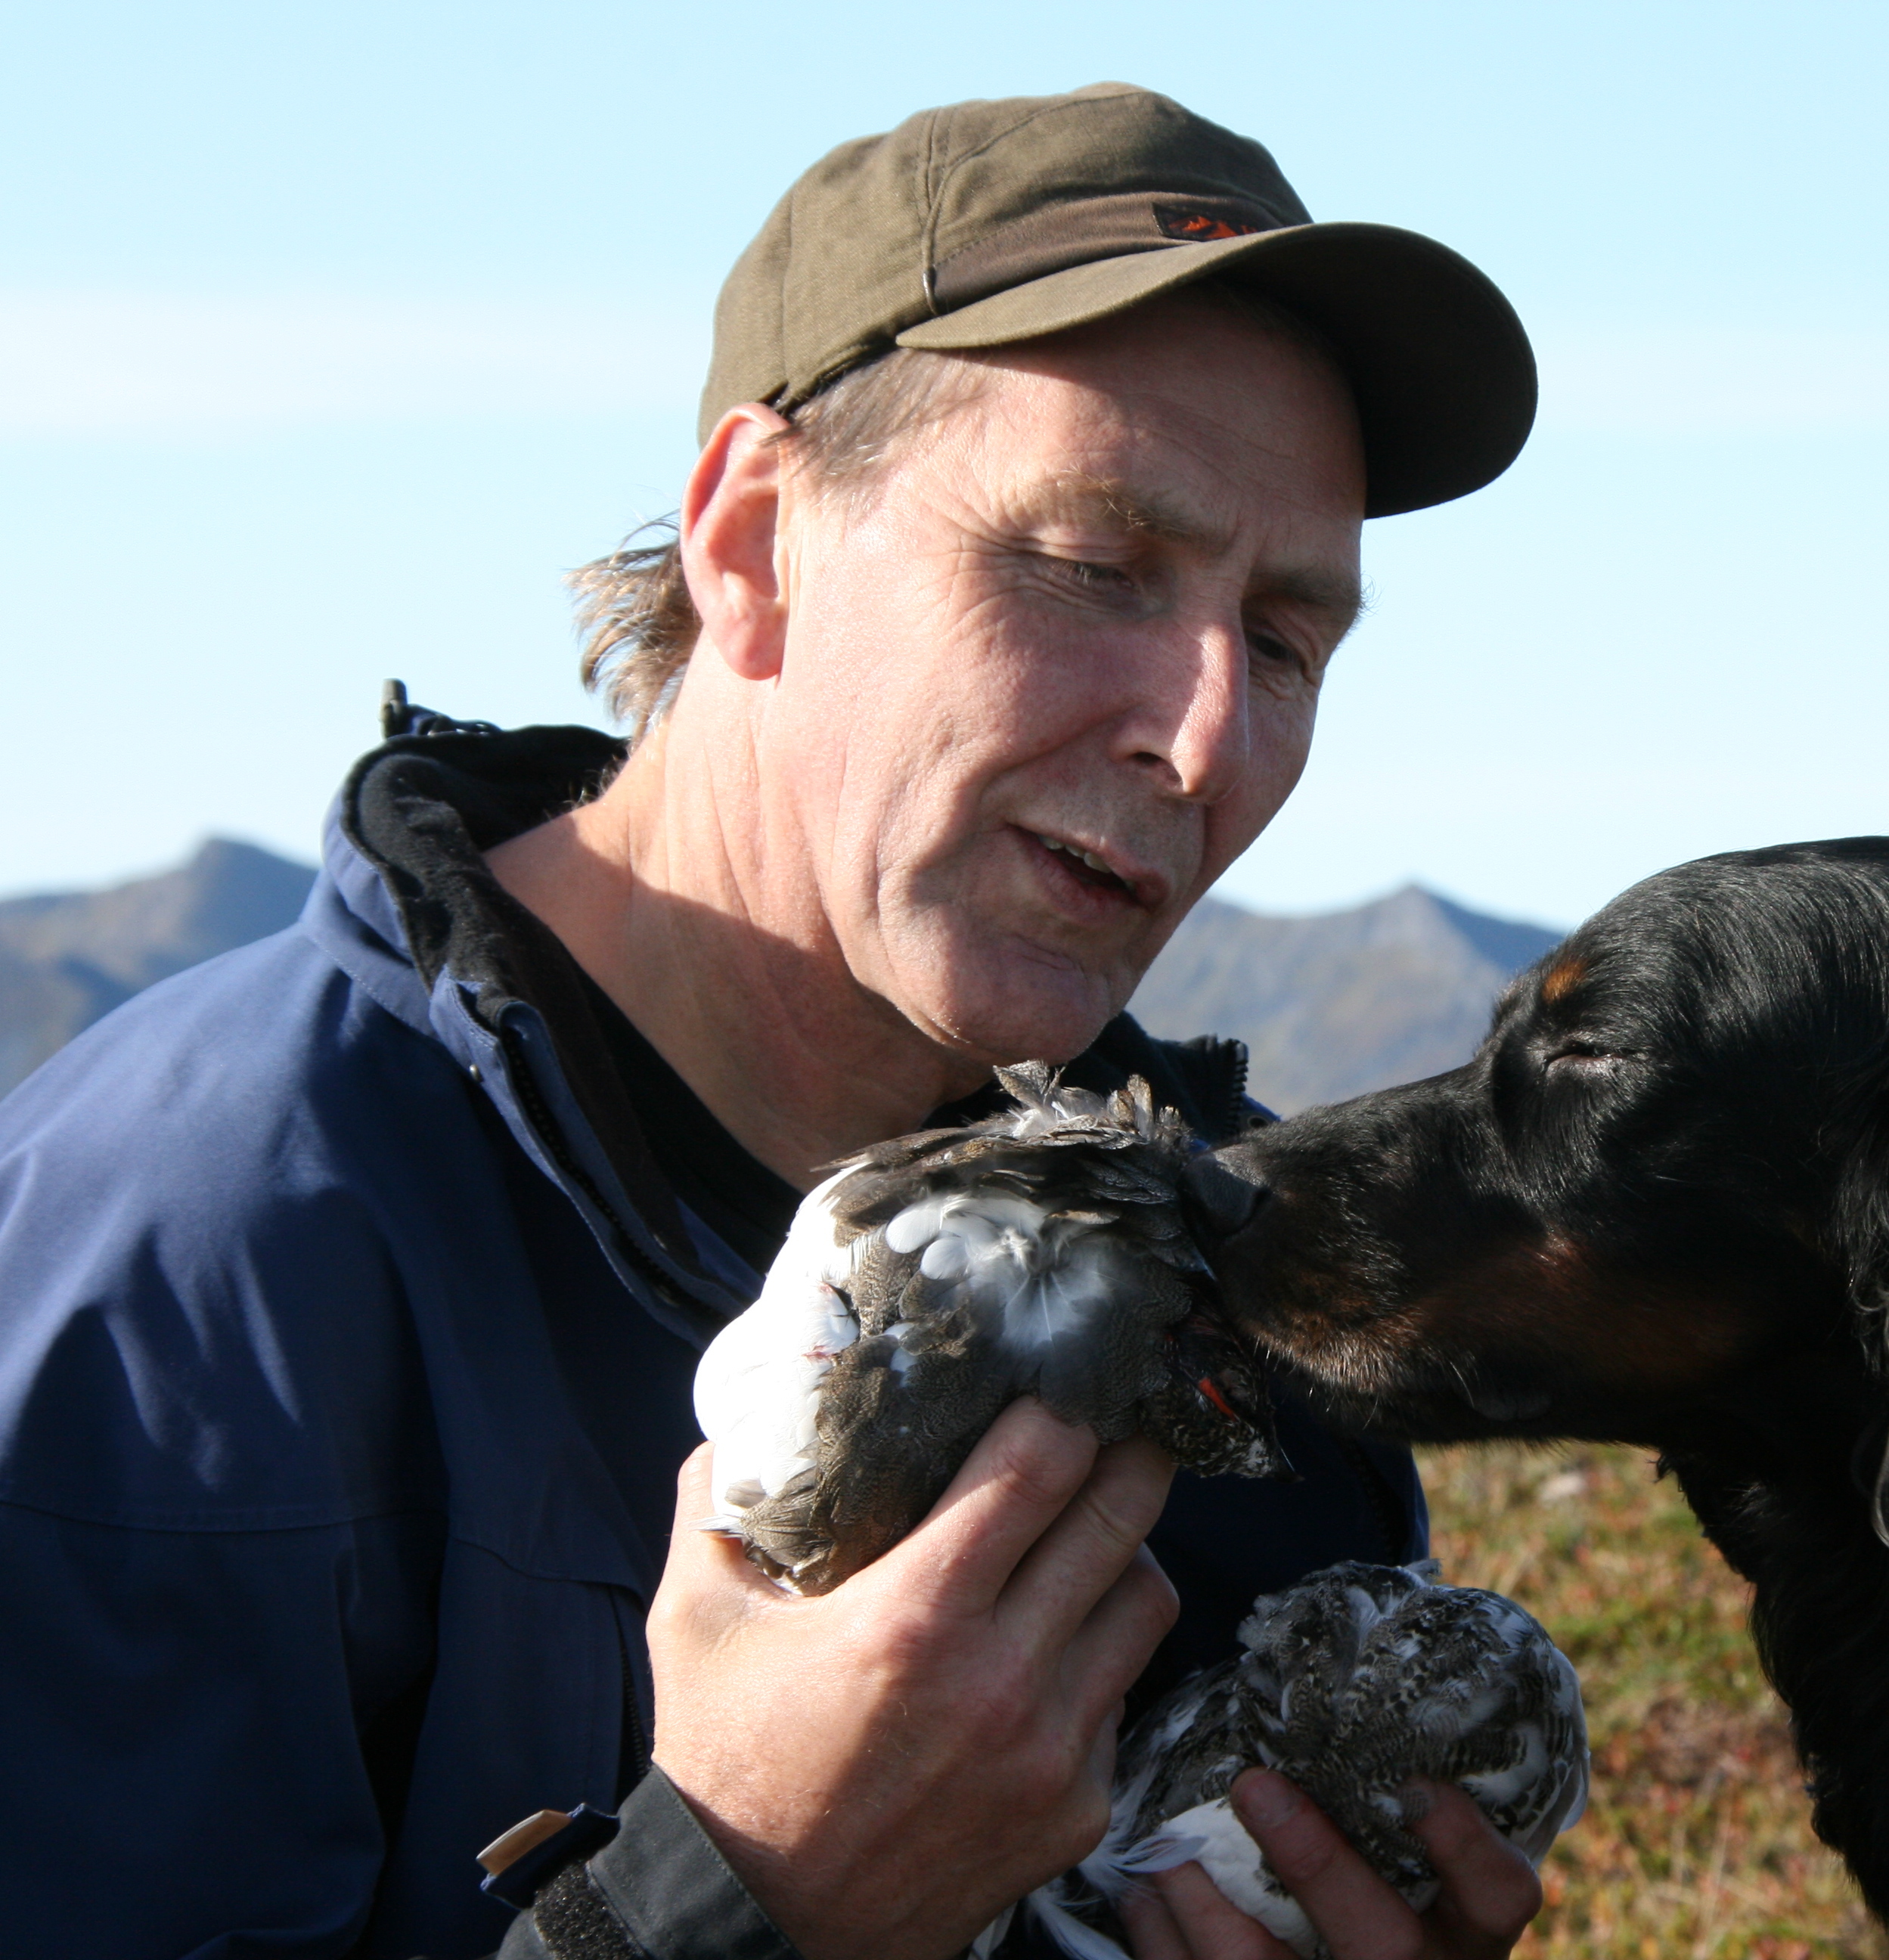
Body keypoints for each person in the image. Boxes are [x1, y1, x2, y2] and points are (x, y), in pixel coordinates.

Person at [0, 85, 1542, 1960]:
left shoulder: (1251, 1323)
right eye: (1092, 562)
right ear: (751, 543)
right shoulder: (191, 1274)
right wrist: (739, 1902)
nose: (1209, 735)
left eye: (1288, 636)